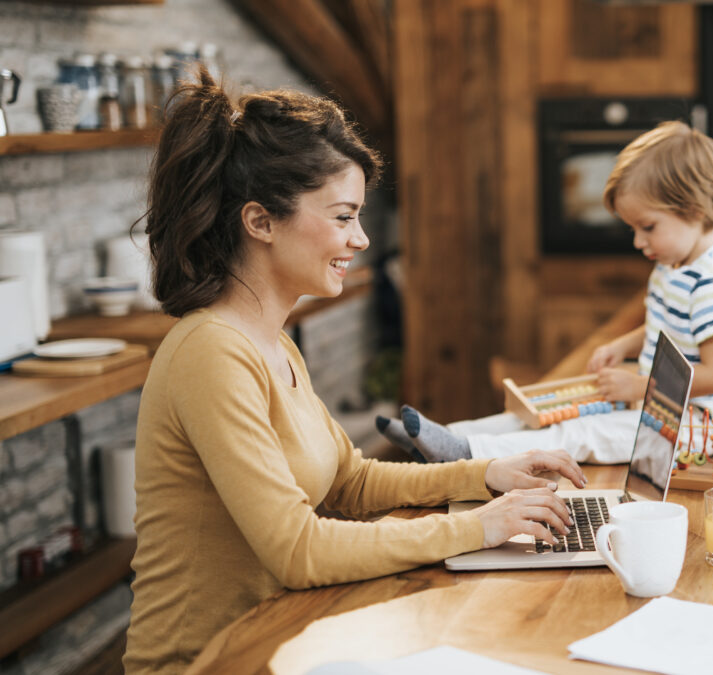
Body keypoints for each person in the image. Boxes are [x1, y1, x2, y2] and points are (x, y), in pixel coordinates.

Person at [124, 70, 585, 675]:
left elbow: (349, 483)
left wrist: (488, 475)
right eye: (343, 217)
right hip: (206, 661)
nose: (362, 239)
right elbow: (296, 549)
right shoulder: (209, 352)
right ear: (260, 221)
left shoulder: (272, 342)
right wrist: (479, 528)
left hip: (282, 637)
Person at [376, 120, 713, 464]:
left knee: (579, 433)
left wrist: (639, 385)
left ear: (694, 210)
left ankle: (466, 454)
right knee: (545, 415)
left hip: (697, 430)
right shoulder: (675, 266)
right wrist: (623, 346)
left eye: (648, 227)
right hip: (662, 408)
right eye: (633, 229)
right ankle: (449, 437)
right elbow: (670, 327)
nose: (639, 241)